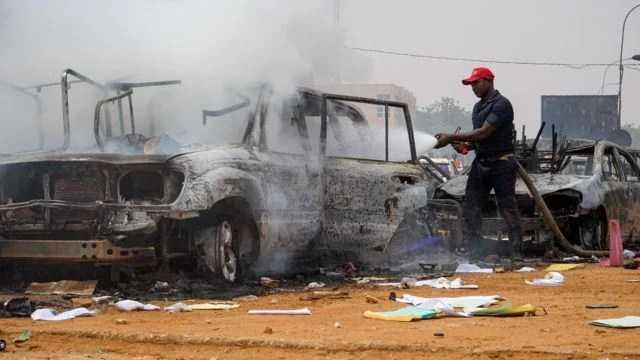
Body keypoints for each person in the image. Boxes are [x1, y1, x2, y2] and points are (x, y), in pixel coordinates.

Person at [434, 67, 522, 258]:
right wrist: (464, 146)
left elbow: (483, 132)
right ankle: (475, 250)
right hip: (482, 163)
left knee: (507, 207)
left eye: (476, 82)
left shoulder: (501, 104)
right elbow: (480, 139)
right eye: (471, 84)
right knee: (471, 207)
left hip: (502, 163)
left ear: (489, 81)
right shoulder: (478, 107)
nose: (473, 87)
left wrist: (450, 137)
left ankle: (516, 252)